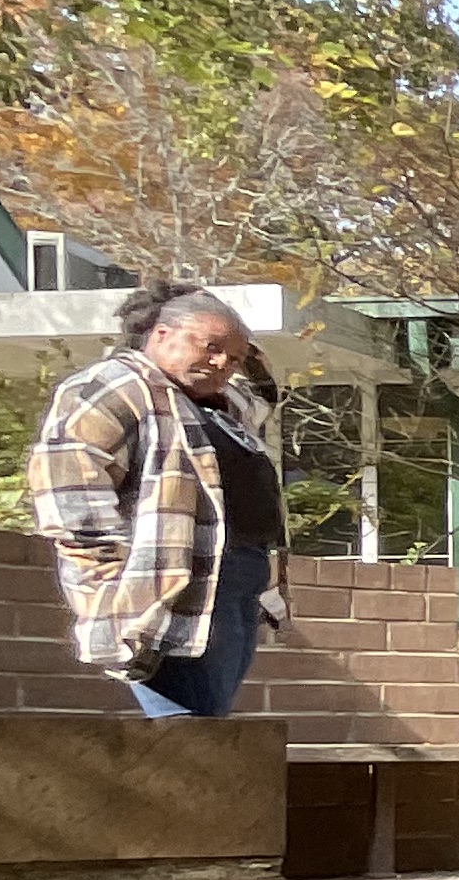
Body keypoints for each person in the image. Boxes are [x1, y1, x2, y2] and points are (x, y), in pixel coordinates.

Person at [27, 284, 290, 717]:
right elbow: (70, 495)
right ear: (162, 334)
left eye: (234, 357)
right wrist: (116, 588)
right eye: (210, 347)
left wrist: (239, 340)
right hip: (166, 585)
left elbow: (264, 395)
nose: (222, 362)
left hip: (238, 580)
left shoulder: (220, 405)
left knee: (208, 725)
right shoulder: (113, 386)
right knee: (187, 731)